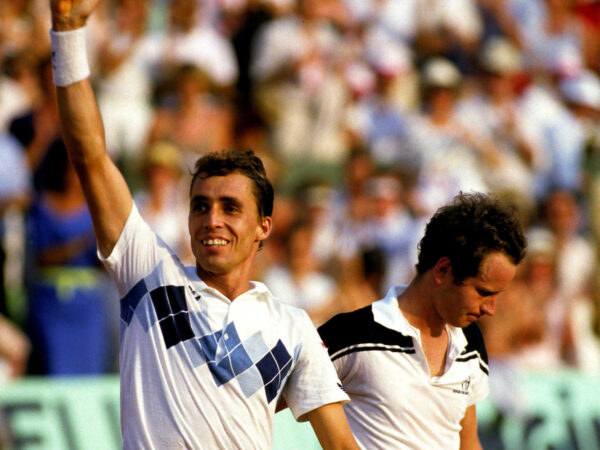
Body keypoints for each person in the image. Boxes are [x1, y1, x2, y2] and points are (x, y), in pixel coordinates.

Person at [48, 1, 357, 449]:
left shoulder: (292, 327)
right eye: (200, 206)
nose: (212, 219)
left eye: (231, 208)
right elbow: (91, 158)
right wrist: (68, 36)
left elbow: (341, 445)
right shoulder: (150, 280)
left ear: (264, 227)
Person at [318, 192, 527, 449]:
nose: (491, 309)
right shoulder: (350, 333)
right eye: (483, 292)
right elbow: (265, 400)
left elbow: (468, 442)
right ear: (442, 271)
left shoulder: (471, 340)